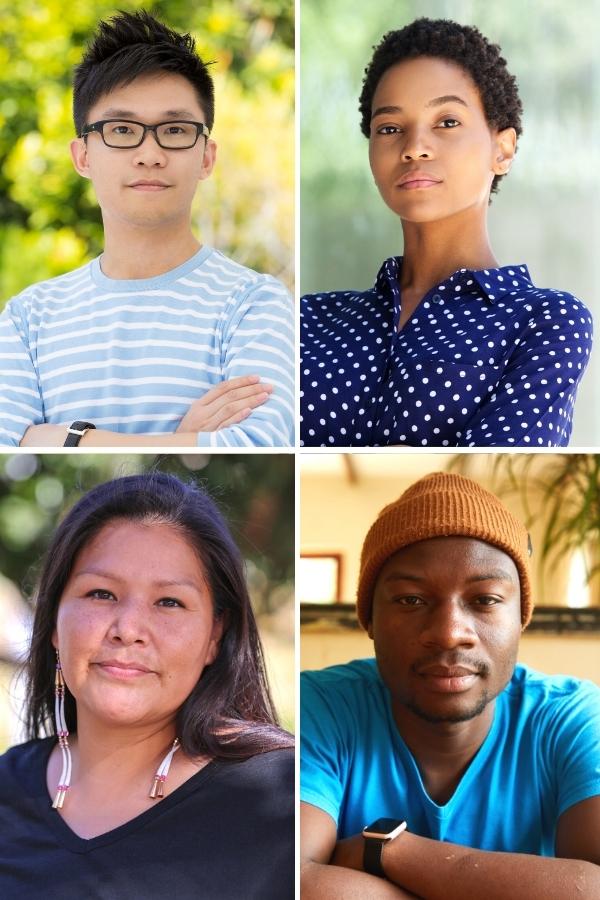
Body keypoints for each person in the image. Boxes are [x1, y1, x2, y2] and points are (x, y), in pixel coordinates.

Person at [0, 10, 294, 448]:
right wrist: (180, 439)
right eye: (122, 129)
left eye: (175, 130)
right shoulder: (28, 319)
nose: (150, 153)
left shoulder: (254, 303)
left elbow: (265, 441)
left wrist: (65, 437)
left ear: (207, 157)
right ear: (82, 156)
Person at [300, 472, 600, 899]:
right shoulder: (322, 705)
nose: (448, 632)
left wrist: (386, 851)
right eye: (410, 599)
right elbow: (294, 883)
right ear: (369, 619)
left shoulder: (571, 718)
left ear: (521, 618)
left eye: (485, 600)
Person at [300, 18, 593, 448]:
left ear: (502, 149)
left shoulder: (546, 321)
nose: (414, 145)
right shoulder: (309, 320)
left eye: (447, 121)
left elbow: (482, 474)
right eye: (390, 128)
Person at [0, 471, 294, 899]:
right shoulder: (8, 786)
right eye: (101, 594)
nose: (128, 629)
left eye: (169, 602)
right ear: (54, 624)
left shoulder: (281, 796)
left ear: (215, 636)